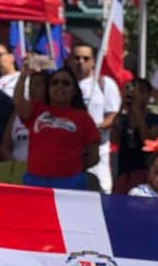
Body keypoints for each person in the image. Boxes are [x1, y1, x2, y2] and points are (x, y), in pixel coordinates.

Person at [13, 62, 99, 190]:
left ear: (74, 90)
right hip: (35, 182)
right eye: (54, 82)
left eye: (66, 83)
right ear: (48, 89)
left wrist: (69, 168)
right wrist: (23, 76)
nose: (60, 86)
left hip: (71, 183)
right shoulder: (36, 109)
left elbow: (93, 157)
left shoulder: (83, 117)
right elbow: (19, 104)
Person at [68, 43, 120, 194]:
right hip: (71, 151)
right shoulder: (63, 84)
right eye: (76, 58)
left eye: (86, 58)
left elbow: (113, 115)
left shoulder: (104, 84)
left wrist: (94, 129)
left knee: (101, 190)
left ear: (93, 62)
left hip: (98, 150)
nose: (81, 62)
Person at [112, 77, 158, 196]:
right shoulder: (124, 118)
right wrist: (122, 106)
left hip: (144, 172)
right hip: (124, 173)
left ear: (148, 95)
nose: (135, 94)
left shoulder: (155, 118)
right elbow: (113, 139)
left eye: (140, 91)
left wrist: (136, 110)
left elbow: (148, 140)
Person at [0, 70, 44, 165]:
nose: (32, 88)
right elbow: (5, 146)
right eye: (31, 84)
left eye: (37, 85)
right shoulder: (17, 114)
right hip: (17, 172)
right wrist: (15, 165)